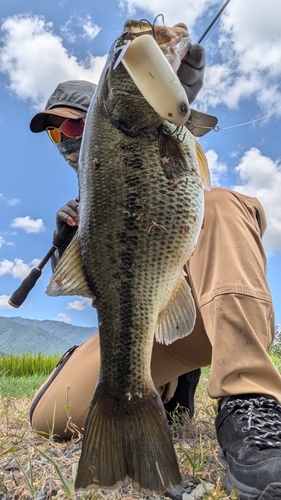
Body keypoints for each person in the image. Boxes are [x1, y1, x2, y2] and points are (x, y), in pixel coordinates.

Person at [29, 29, 281, 500]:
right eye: (54, 133)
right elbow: (93, 290)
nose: (64, 140)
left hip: (216, 313)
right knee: (49, 418)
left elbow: (200, 198)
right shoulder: (85, 209)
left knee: (223, 205)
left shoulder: (168, 133)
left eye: (75, 127)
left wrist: (174, 103)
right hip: (149, 331)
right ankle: (161, 394)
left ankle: (250, 404)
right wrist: (67, 244)